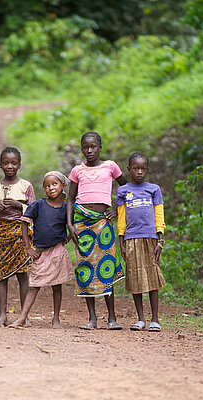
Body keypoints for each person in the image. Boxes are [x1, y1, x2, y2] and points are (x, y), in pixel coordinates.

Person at [67, 131, 127, 330]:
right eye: (86, 147)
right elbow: (69, 199)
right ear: (81, 149)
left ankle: (112, 317)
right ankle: (92, 318)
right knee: (86, 268)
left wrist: (117, 211)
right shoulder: (77, 171)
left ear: (100, 147)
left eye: (93, 146)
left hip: (103, 224)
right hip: (82, 224)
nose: (90, 150)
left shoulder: (110, 166)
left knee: (106, 266)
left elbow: (126, 190)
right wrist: (70, 224)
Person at [8, 171, 74, 329]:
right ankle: (22, 318)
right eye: (47, 186)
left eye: (54, 184)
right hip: (40, 252)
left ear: (63, 186)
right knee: (34, 285)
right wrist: (28, 247)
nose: (51, 188)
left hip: (57, 250)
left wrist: (68, 238)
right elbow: (24, 223)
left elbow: (73, 225)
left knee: (57, 286)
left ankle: (56, 319)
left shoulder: (66, 208)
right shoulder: (38, 205)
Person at [116, 152, 166, 332]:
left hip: (150, 238)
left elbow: (159, 214)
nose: (139, 172)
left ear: (147, 170)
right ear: (129, 169)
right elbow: (121, 217)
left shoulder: (154, 189)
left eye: (143, 169)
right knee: (135, 276)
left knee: (152, 276)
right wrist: (121, 240)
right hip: (131, 238)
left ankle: (155, 319)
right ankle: (141, 319)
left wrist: (160, 238)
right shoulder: (123, 191)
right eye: (135, 168)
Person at [0, 147, 36, 327]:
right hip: (1, 233)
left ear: (19, 165)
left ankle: (24, 316)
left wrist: (18, 205)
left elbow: (34, 210)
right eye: (6, 163)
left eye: (14, 163)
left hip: (21, 234)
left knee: (23, 275)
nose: (10, 166)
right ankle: (3, 315)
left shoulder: (26, 186)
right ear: (0, 165)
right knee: (2, 275)